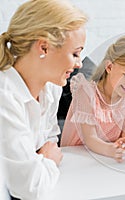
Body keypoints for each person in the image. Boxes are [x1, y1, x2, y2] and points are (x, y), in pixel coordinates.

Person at [0, 0, 87, 199]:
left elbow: (50, 140)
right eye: (75, 53)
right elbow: (30, 188)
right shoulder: (4, 97)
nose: (79, 63)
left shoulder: (51, 88)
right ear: (44, 48)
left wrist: (42, 160)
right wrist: (47, 159)